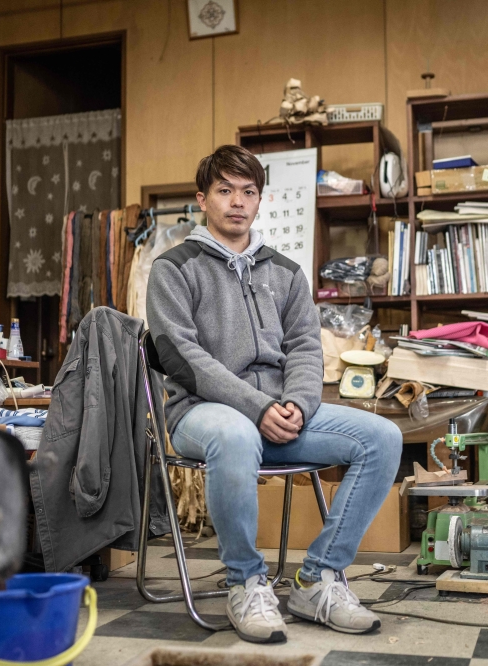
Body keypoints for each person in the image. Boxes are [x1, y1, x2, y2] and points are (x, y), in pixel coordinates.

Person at [146, 145, 403, 644]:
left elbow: (307, 347)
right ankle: (245, 582)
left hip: (282, 414)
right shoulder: (173, 268)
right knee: (238, 437)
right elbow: (183, 358)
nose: (237, 202)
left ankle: (318, 580)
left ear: (260, 201)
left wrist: (297, 404)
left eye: (248, 192)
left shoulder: (284, 271)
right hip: (202, 414)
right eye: (225, 190)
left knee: (383, 437)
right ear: (203, 199)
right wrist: (257, 407)